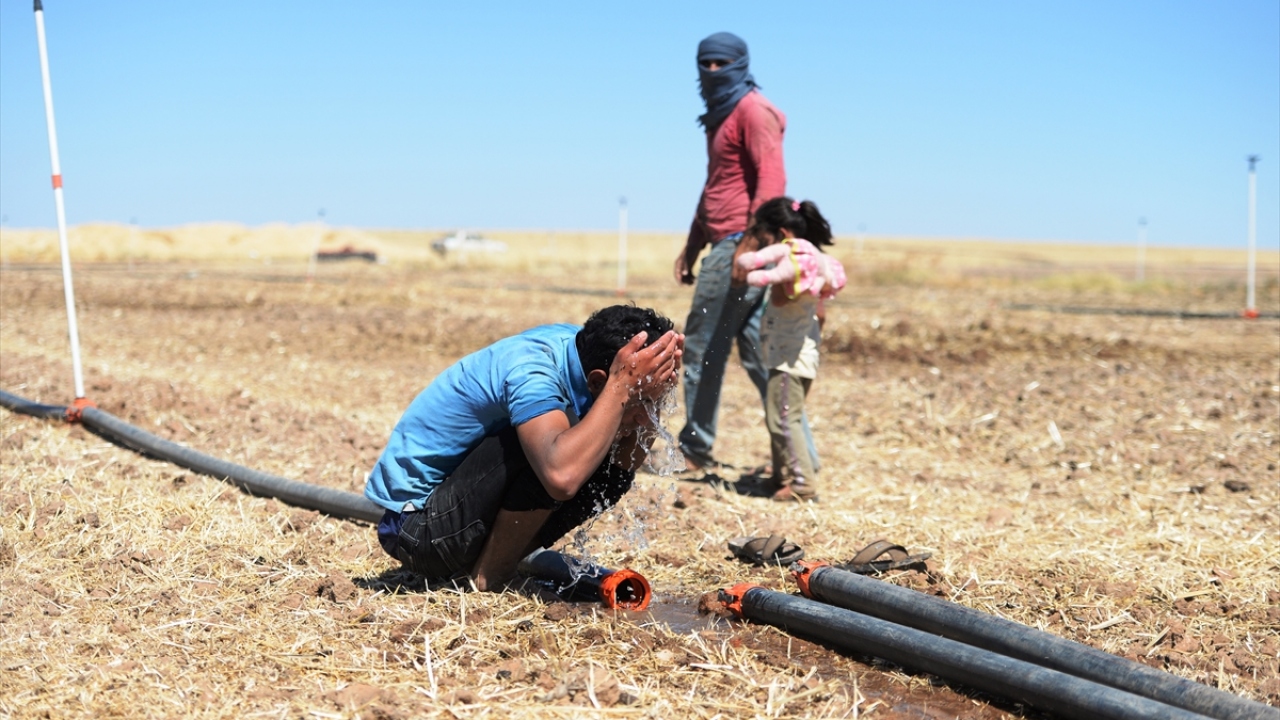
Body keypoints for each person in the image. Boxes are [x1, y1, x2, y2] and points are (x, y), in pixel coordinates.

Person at [365, 305, 683, 591]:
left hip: (458, 511)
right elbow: (561, 477)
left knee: (608, 471)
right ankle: (491, 576)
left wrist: (656, 385)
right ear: (600, 381)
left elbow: (623, 464)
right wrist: (621, 389)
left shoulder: (587, 351)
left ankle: (493, 561)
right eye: (642, 402)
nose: (647, 418)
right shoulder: (533, 372)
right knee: (552, 452)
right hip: (418, 531)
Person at [673, 31, 818, 472]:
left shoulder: (754, 111)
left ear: (741, 65)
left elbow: (772, 181)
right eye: (706, 63)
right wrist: (692, 245)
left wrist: (750, 248)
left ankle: (695, 449)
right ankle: (798, 462)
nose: (713, 71)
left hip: (739, 246)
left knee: (702, 349)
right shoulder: (721, 116)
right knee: (762, 355)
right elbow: (716, 185)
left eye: (723, 63)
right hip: (725, 244)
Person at [734, 197, 846, 501]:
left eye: (765, 240)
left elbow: (781, 300)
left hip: (790, 359)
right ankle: (782, 476)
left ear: (782, 235)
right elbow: (820, 315)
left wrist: (776, 280)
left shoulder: (798, 272)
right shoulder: (815, 266)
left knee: (783, 419)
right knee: (779, 416)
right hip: (797, 355)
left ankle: (802, 484)